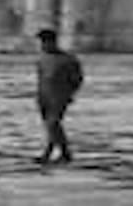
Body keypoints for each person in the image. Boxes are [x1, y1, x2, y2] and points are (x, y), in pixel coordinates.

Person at [34, 28, 84, 165]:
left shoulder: (68, 59)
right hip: (44, 97)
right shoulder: (42, 58)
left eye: (45, 42)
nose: (42, 46)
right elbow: (40, 77)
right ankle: (48, 153)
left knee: (53, 124)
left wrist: (69, 94)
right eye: (41, 43)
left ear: (53, 42)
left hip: (60, 97)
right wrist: (38, 95)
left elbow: (77, 79)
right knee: (50, 126)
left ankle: (65, 153)